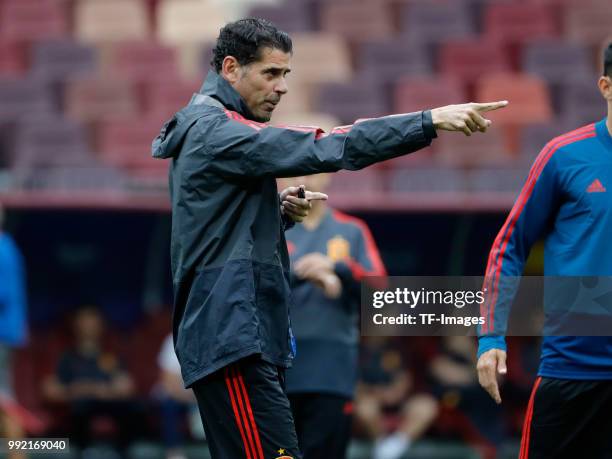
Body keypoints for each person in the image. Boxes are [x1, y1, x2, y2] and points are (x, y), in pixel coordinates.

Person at [152, 18, 507, 459]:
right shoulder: (218, 130)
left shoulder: (216, 128)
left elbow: (214, 229)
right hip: (232, 338)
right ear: (230, 68)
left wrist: (275, 216)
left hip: (245, 337)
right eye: (270, 73)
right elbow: (329, 146)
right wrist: (428, 120)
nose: (281, 87)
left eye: (286, 75)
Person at [476, 43, 612, 459]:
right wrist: (491, 335)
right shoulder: (564, 156)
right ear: (606, 86)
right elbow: (508, 247)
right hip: (572, 366)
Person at [278, 173, 387, 458]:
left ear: (327, 176)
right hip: (278, 367)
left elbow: (379, 288)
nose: (304, 179)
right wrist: (302, 272)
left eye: (312, 170)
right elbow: (249, 283)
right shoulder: (272, 227)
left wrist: (336, 268)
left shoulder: (352, 230)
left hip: (331, 369)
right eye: (294, 171)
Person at [42, 306, 141, 451]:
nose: (89, 327)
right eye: (85, 322)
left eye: (93, 322)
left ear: (101, 325)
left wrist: (96, 389)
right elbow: (50, 389)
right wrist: (75, 391)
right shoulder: (67, 358)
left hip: (108, 403)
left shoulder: (111, 357)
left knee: (131, 409)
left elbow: (127, 386)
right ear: (75, 325)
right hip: (78, 408)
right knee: (79, 410)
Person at [356, 336, 438, 459]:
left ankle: (393, 447)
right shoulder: (357, 349)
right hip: (371, 402)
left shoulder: (397, 348)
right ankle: (381, 443)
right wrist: (377, 393)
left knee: (426, 405)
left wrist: (393, 393)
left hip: (398, 403)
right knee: (366, 407)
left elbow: (404, 380)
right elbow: (355, 386)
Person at [0, 205, 28, 459]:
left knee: (4, 400)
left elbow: (2, 295)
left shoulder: (2, 249)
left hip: (1, 336)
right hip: (7, 335)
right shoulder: (6, 246)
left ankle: (18, 455)